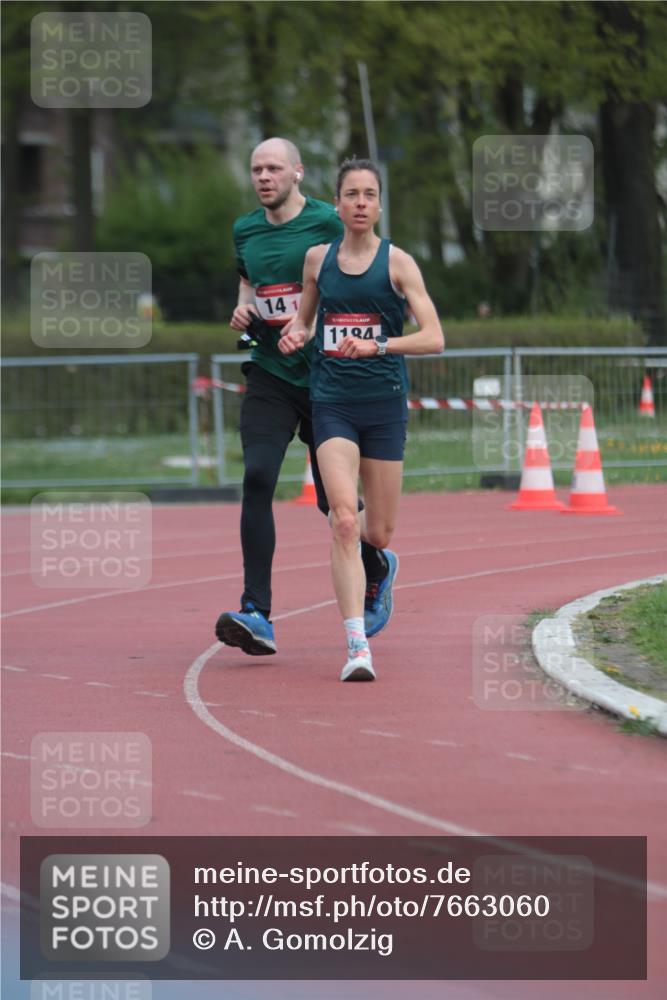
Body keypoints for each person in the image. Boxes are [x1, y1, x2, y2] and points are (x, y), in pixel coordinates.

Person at [215, 139, 398, 657]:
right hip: (271, 375)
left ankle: (376, 564)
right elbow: (250, 285)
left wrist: (312, 323)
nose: (263, 177)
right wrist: (244, 312)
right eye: (256, 169)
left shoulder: (327, 220)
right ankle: (256, 612)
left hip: (326, 380)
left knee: (334, 506)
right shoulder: (245, 229)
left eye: (274, 168)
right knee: (257, 476)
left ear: (298, 172)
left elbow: (353, 274)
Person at [279, 157, 444, 681]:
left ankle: (383, 567)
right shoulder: (316, 261)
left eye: (369, 195)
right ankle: (357, 646)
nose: (360, 204)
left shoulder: (399, 264)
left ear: (378, 204)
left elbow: (434, 337)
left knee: (380, 531)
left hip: (383, 403)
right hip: (331, 403)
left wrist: (378, 346)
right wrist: (295, 334)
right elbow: (304, 320)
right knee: (344, 520)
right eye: (351, 194)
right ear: (338, 202)